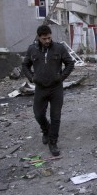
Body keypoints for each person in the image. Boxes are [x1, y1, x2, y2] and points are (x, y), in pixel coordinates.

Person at [22, 25, 75, 156]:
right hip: (40, 87)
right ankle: (46, 130)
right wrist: (32, 78)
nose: (47, 41)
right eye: (44, 38)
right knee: (38, 114)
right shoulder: (32, 49)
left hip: (56, 88)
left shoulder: (59, 48)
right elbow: (25, 65)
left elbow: (70, 63)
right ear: (39, 37)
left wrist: (61, 77)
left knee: (55, 117)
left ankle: (53, 142)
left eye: (49, 38)